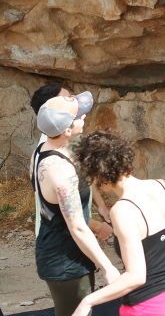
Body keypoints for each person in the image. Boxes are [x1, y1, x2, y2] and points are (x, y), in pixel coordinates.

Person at [69, 130, 165, 316]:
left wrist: (88, 301)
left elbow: (136, 276)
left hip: (145, 312)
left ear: (98, 174)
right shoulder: (163, 186)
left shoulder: (123, 209)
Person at [32, 95, 120, 316]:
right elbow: (76, 227)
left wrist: (95, 221)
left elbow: (61, 213)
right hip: (66, 262)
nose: (84, 116)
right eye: (79, 116)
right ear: (67, 129)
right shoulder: (61, 173)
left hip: (58, 249)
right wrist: (107, 267)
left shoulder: (43, 149)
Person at [29, 83, 111, 240]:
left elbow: (83, 176)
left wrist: (101, 206)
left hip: (76, 234)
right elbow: (60, 210)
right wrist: (96, 226)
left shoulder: (68, 140)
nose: (75, 102)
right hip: (60, 239)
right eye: (67, 99)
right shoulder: (49, 159)